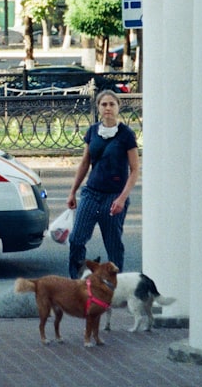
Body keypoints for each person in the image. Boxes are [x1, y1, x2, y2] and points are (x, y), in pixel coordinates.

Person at [66, 89, 140, 278]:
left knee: (113, 245)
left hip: (114, 197)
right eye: (104, 104)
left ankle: (115, 286)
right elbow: (85, 163)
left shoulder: (126, 135)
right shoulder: (92, 131)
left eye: (111, 104)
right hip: (91, 193)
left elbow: (135, 170)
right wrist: (73, 191)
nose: (108, 108)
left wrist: (122, 199)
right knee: (76, 240)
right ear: (98, 107)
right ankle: (77, 282)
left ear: (118, 108)